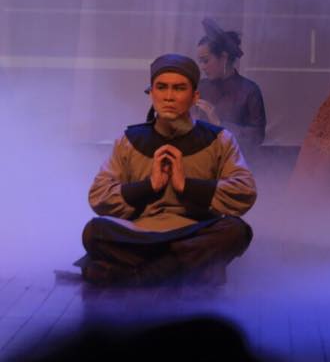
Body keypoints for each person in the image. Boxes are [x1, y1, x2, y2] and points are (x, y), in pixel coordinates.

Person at [78, 54, 257, 286]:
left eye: (179, 88)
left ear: (195, 96)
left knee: (236, 231)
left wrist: (187, 186)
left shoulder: (219, 140)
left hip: (194, 233)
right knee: (94, 231)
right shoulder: (129, 141)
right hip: (141, 235)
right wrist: (149, 186)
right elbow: (99, 196)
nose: (169, 96)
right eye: (161, 87)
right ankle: (182, 271)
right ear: (151, 93)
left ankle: (139, 276)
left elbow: (244, 191)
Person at [195, 18, 267, 156]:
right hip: (202, 159)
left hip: (235, 160)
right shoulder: (200, 87)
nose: (202, 67)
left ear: (224, 57)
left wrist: (219, 123)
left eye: (206, 61)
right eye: (200, 62)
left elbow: (257, 137)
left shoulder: (249, 90)